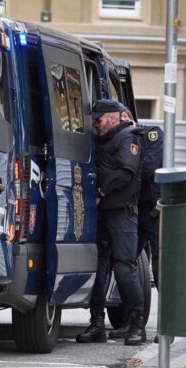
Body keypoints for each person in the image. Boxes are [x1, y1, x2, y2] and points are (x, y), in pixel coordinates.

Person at [76, 99, 145, 346]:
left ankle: (137, 324)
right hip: (102, 213)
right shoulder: (99, 140)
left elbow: (126, 172)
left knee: (124, 268)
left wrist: (101, 191)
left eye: (100, 118)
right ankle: (96, 324)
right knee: (97, 269)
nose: (96, 122)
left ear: (114, 117)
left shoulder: (128, 137)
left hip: (121, 212)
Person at [108, 104, 164, 343]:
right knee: (126, 264)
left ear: (126, 118)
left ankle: (166, 326)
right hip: (132, 209)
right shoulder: (116, 143)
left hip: (154, 210)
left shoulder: (150, 134)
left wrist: (127, 167)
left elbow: (150, 167)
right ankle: (132, 321)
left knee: (161, 268)